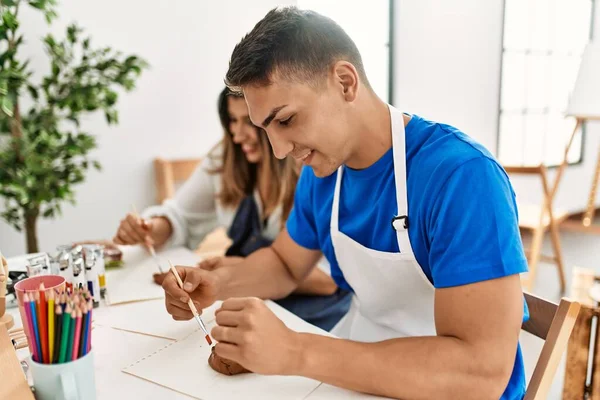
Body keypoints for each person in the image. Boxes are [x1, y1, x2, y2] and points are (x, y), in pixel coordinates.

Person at [162, 7, 529, 400]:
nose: (280, 150)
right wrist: (219, 284)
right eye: (265, 129)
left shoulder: (462, 177)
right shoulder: (323, 173)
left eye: (285, 121)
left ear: (344, 82)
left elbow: (479, 374)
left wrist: (296, 350)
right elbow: (286, 264)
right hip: (358, 378)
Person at [113, 87, 351, 331]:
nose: (237, 135)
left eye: (249, 122)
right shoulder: (224, 160)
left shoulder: (312, 171)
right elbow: (182, 216)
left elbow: (325, 280)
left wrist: (238, 268)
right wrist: (151, 228)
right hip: (254, 299)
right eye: (232, 121)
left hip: (316, 314)